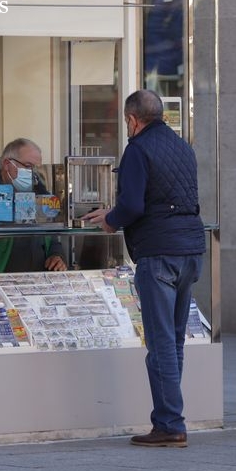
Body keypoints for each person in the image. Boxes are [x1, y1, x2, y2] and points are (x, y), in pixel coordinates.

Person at [85, 90, 205, 448]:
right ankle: (171, 417)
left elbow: (133, 205)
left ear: (132, 120)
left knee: (161, 343)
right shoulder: (182, 147)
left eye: (126, 122)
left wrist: (110, 219)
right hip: (191, 249)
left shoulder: (137, 149)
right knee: (174, 341)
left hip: (158, 253)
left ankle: (169, 423)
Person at [0, 138, 66, 273]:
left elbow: (52, 236)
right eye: (28, 166)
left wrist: (56, 255)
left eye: (36, 168)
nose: (33, 172)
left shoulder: (39, 193)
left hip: (36, 282)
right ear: (7, 164)